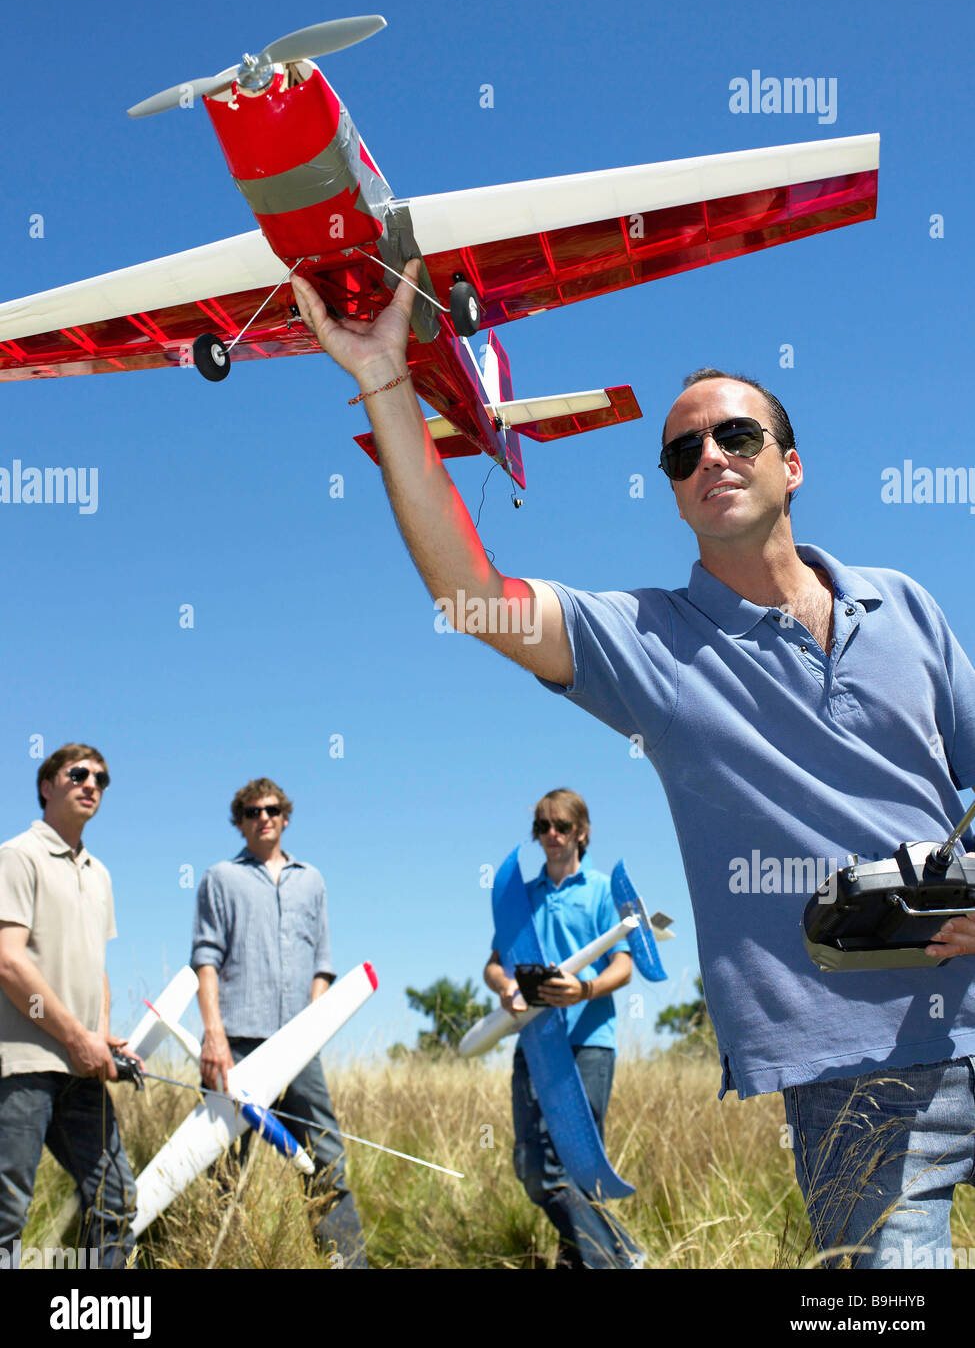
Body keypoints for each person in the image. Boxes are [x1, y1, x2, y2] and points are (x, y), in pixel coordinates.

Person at [292, 266, 975, 1270]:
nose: (709, 454)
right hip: (852, 1083)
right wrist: (386, 379)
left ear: (792, 464)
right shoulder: (649, 641)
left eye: (736, 435)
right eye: (681, 450)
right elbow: (467, 591)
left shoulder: (904, 605)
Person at [190, 777, 367, 1268]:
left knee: (325, 1161)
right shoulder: (219, 878)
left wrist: (311, 1030)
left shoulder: (312, 879)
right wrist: (214, 1037)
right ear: (240, 821)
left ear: (285, 817)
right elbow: (205, 961)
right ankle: (214, 1258)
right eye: (250, 811)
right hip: (237, 1046)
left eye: (270, 809)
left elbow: (323, 964)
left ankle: (346, 1263)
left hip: (298, 1048)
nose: (262, 817)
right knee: (223, 1170)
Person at [484, 788, 638, 1269]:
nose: (552, 834)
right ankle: (624, 1253)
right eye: (543, 826)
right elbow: (492, 965)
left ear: (581, 833)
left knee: (575, 1165)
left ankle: (602, 1262)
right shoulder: (521, 900)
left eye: (562, 826)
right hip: (535, 1041)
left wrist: (585, 990)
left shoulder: (598, 892)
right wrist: (505, 985)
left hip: (589, 1042)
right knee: (535, 1168)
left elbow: (624, 966)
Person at [0, 743, 137, 1268]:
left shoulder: (99, 873)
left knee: (116, 1201)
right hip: (24, 1065)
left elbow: (96, 967)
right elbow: (9, 964)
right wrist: (75, 1037)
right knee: (8, 1210)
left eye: (101, 778)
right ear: (46, 786)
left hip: (81, 1069)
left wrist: (98, 1034)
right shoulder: (18, 855)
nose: (91, 784)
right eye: (78, 774)